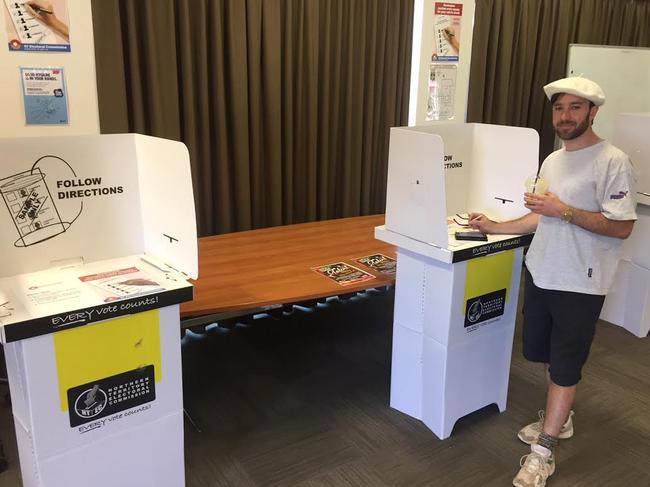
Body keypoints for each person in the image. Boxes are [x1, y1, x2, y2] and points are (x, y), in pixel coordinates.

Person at [468, 76, 637, 487]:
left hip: (581, 281)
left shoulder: (613, 160)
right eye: (560, 109)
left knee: (565, 366)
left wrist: (563, 210)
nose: (565, 116)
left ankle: (543, 450)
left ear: (593, 112)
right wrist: (494, 225)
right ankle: (561, 420)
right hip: (542, 271)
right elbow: (540, 215)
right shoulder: (553, 160)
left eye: (575, 108)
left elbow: (622, 227)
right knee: (546, 355)